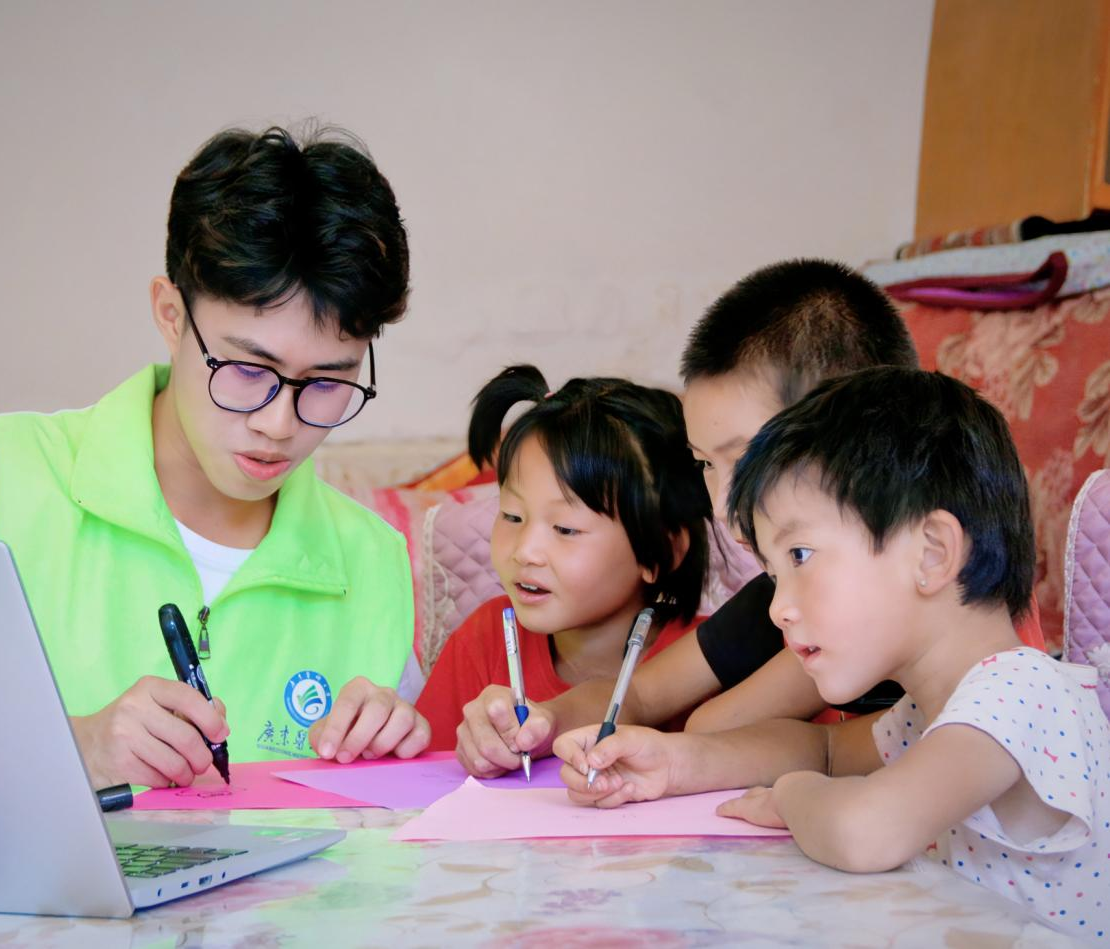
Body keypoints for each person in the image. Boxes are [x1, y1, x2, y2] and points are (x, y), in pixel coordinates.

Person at [0, 125, 427, 786]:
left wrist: (402, 757)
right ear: (170, 314)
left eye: (328, 382)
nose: (279, 424)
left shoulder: (373, 561)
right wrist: (72, 749)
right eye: (247, 370)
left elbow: (402, 825)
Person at [554, 367, 1109, 940]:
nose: (778, 609)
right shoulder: (936, 710)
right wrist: (672, 763)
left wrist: (792, 797)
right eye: (774, 575)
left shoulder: (1020, 693)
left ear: (932, 553)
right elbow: (820, 749)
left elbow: (866, 831)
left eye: (800, 555)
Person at [454, 259, 929, 776]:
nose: (722, 506)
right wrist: (545, 720)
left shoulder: (952, 630)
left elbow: (841, 753)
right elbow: (640, 695)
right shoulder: (774, 601)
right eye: (705, 464)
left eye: (745, 459)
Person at [402, 366, 711, 755]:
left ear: (660, 552)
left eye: (565, 529)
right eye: (512, 516)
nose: (525, 551)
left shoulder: (711, 660)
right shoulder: (485, 641)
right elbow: (424, 773)